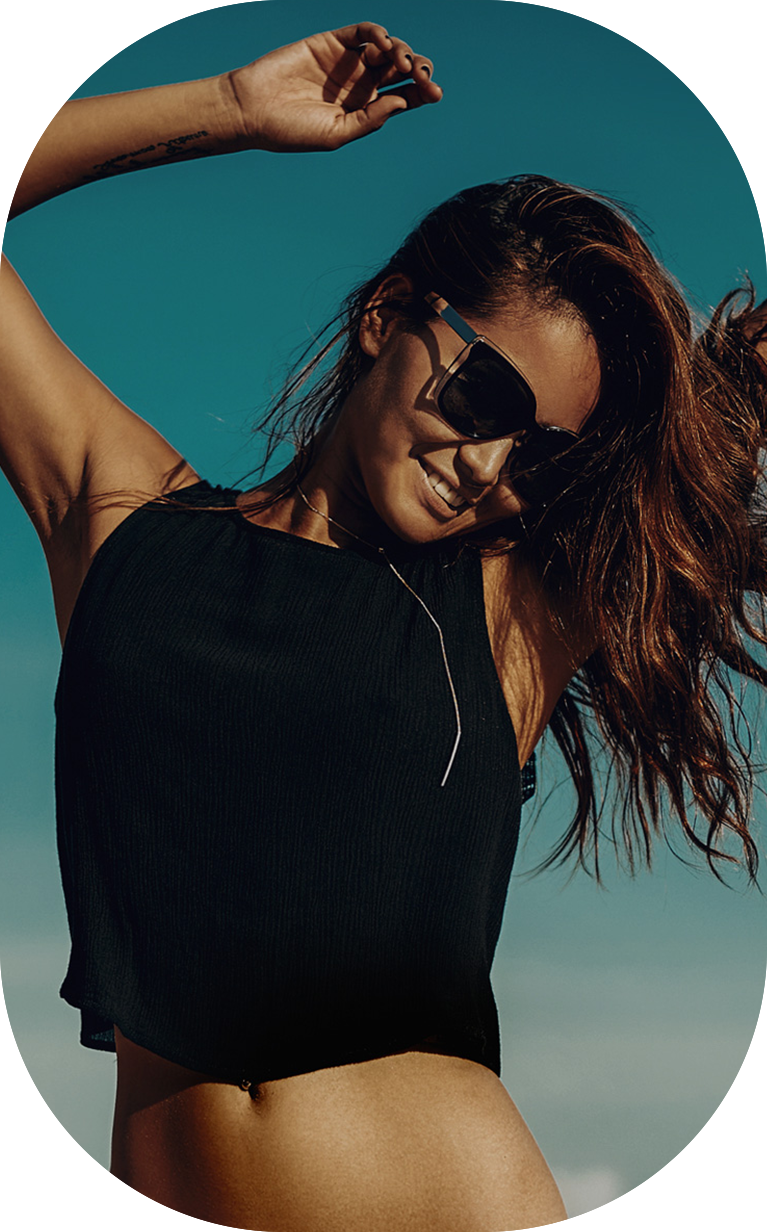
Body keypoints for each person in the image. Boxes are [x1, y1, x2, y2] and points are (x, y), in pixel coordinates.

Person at [1, 20, 766, 1232]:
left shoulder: (509, 608)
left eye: (540, 455)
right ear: (389, 315)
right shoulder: (118, 520)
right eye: (484, 394)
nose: (490, 465)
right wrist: (233, 106)